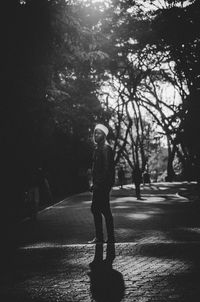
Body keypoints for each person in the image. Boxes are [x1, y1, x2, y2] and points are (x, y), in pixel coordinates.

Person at [89, 123, 115, 244]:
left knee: (100, 209)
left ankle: (105, 237)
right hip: (98, 184)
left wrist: (98, 183)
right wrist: (92, 183)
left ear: (104, 135)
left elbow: (106, 169)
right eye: (95, 132)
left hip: (103, 185)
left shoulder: (105, 148)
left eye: (98, 133)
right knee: (100, 209)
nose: (96, 135)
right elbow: (95, 169)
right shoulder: (98, 148)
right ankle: (105, 237)